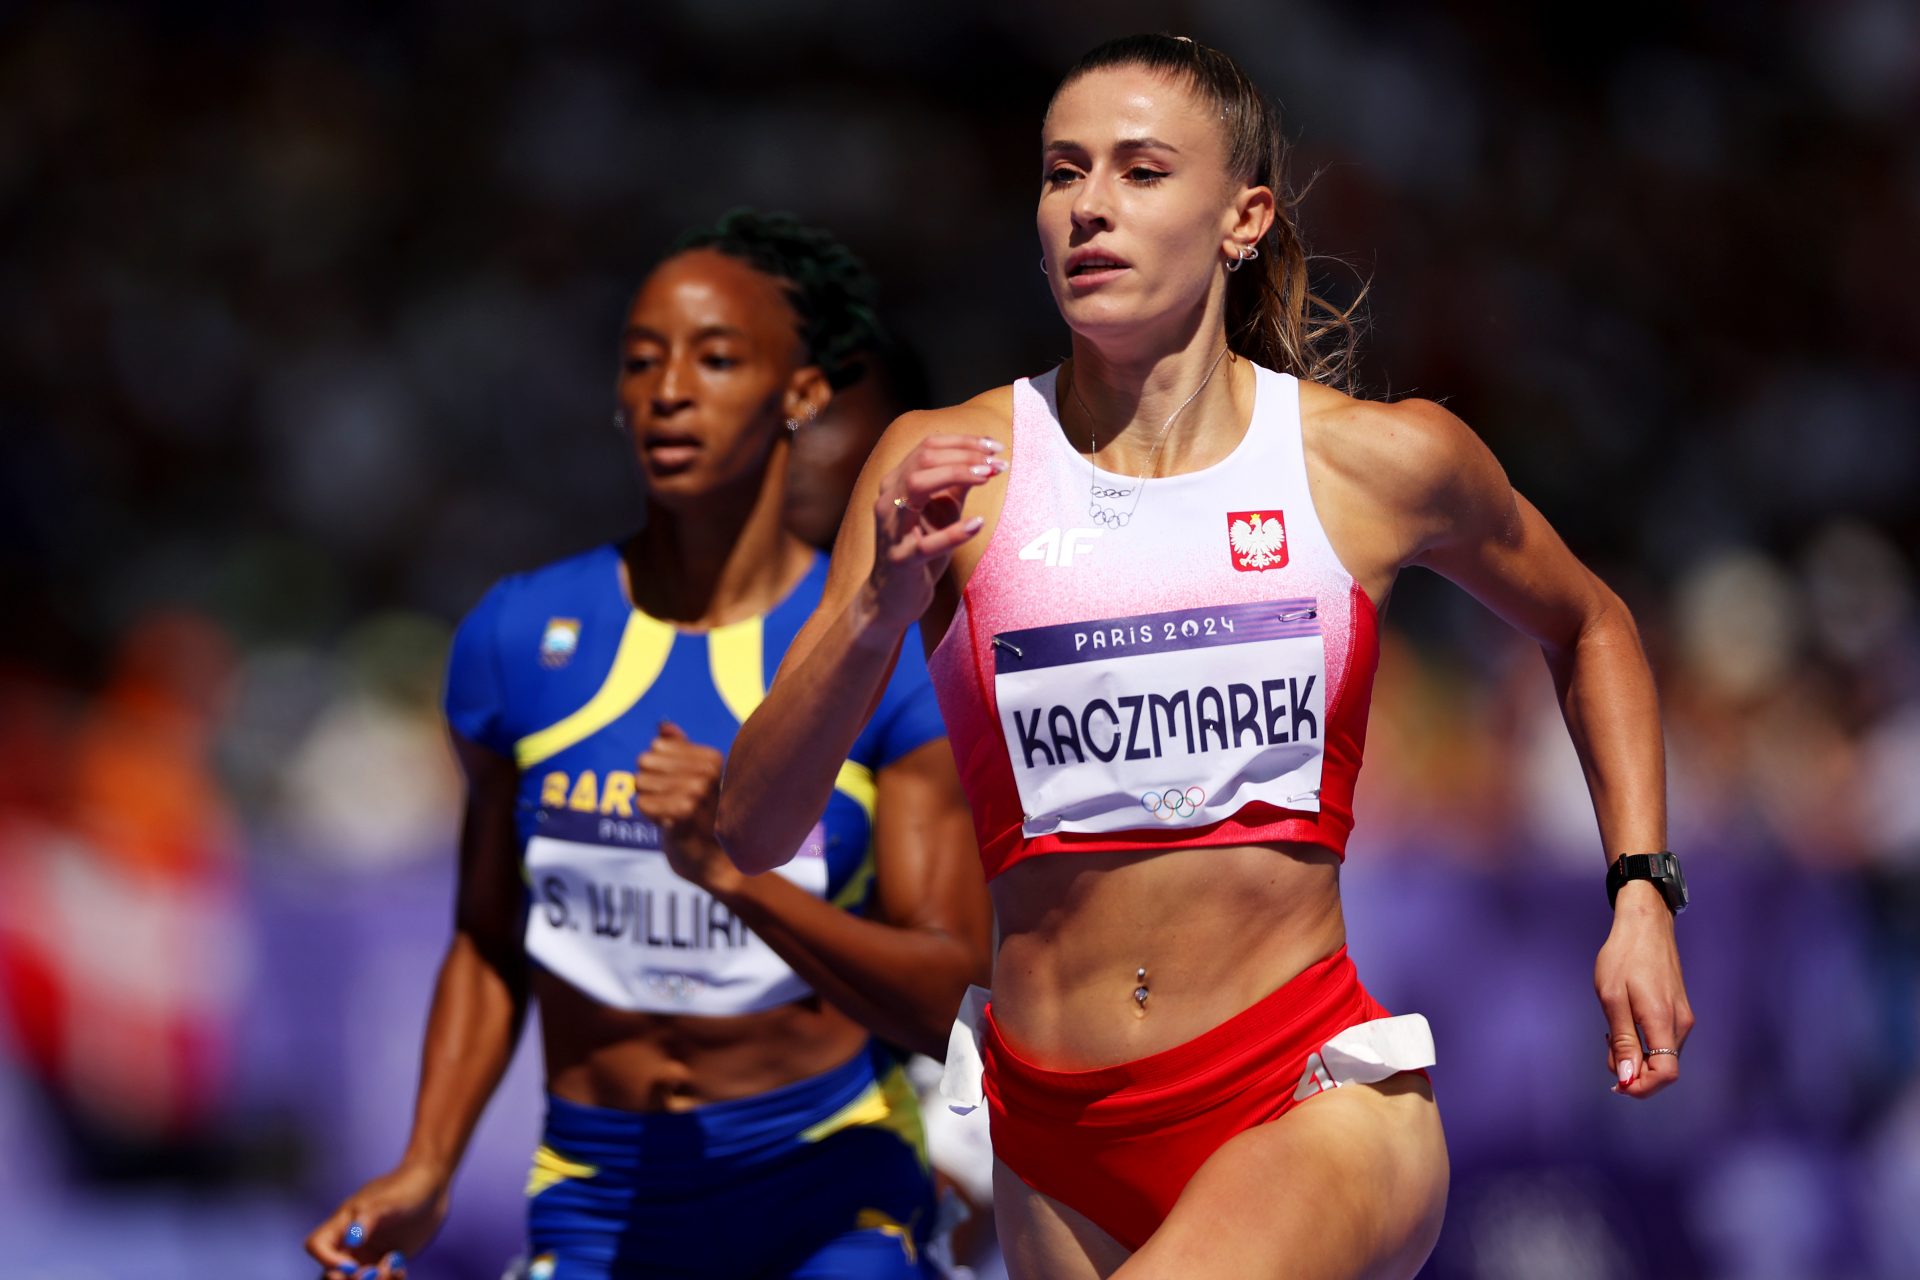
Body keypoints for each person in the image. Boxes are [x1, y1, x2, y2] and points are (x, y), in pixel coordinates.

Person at [719, 35, 1693, 1280]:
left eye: (1139, 170)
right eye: (1063, 170)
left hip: (1306, 1093)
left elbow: (1591, 621)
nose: (1090, 206)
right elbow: (749, 828)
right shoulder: (951, 466)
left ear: (1243, 217)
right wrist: (873, 609)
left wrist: (1641, 890)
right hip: (1051, 1134)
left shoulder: (1373, 462)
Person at [305, 209, 991, 1280]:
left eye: (716, 359)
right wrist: (427, 1164)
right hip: (597, 1199)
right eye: (640, 361)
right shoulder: (516, 639)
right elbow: (487, 939)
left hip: (828, 1189)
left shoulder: (883, 652)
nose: (670, 389)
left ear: (801, 396)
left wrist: (734, 872)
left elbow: (950, 988)